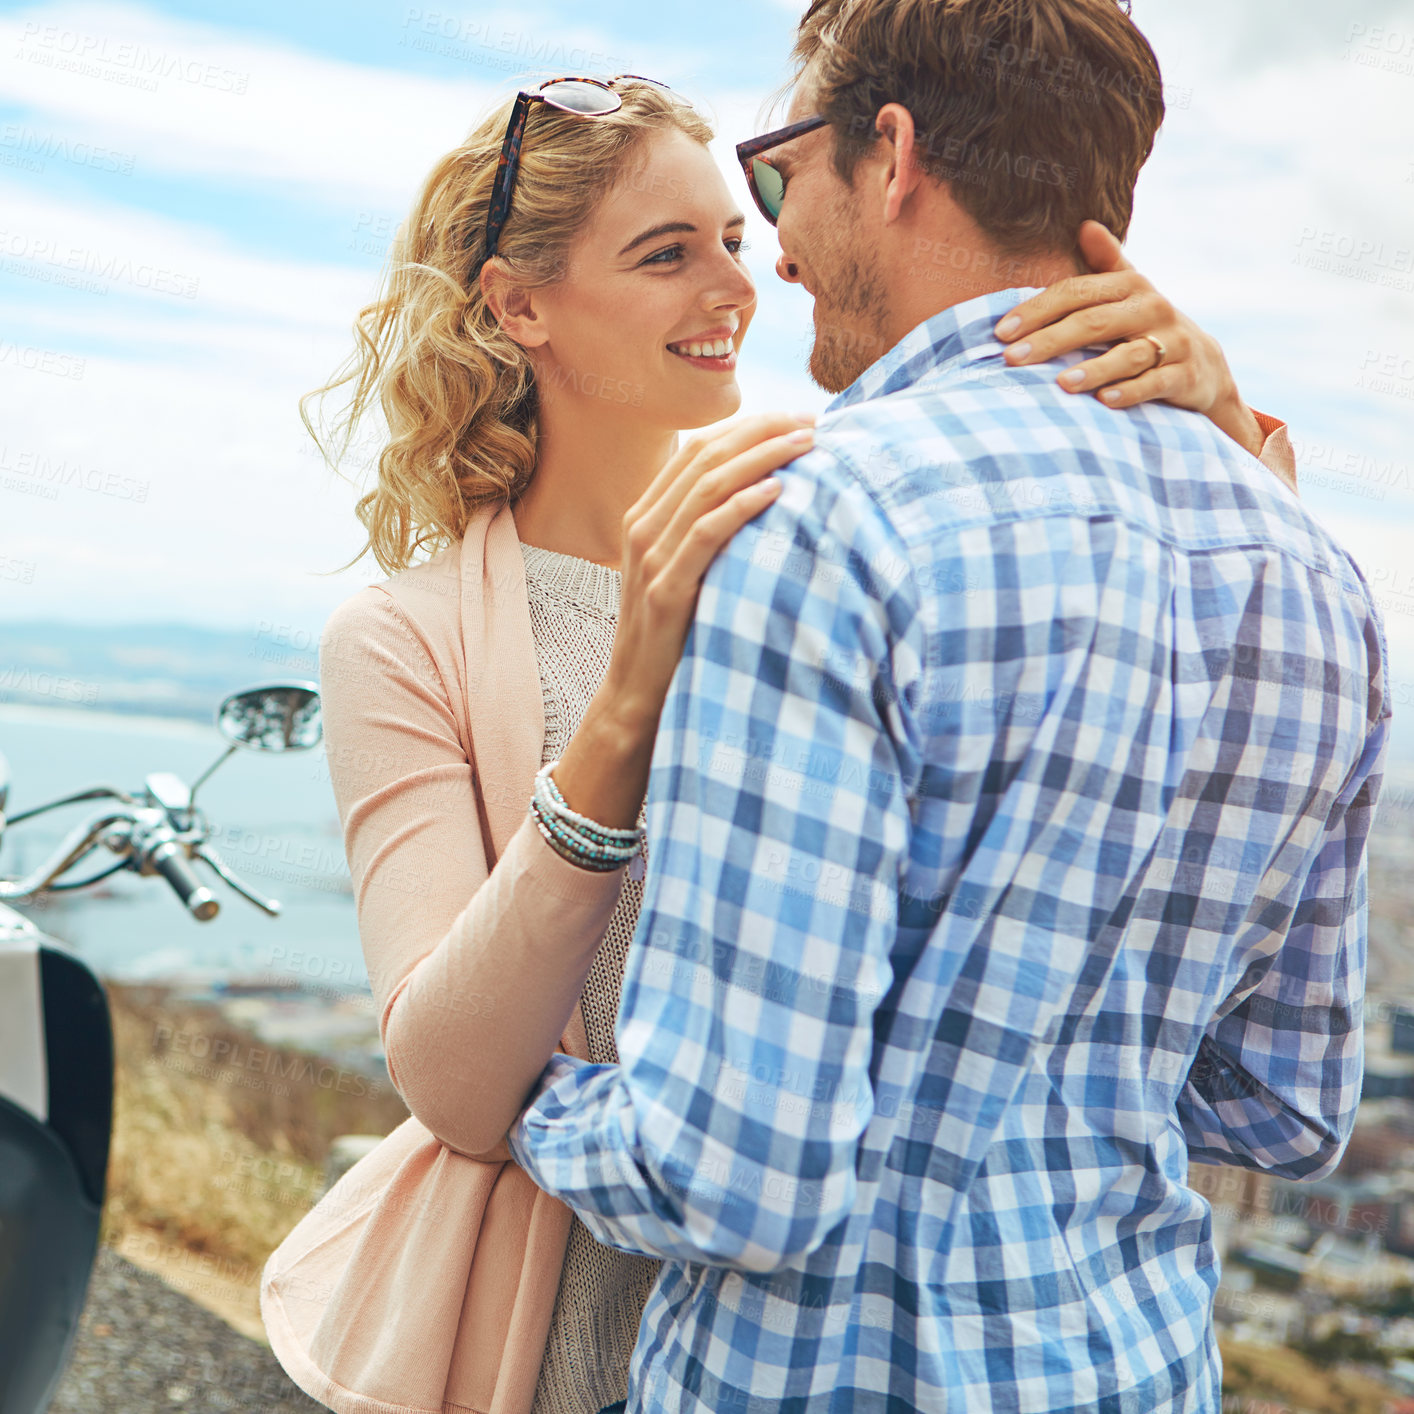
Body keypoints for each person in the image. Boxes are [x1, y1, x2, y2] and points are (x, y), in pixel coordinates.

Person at [267, 37, 1315, 1414]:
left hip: (815, 1346)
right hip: (555, 1347)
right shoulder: (405, 639)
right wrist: (627, 696)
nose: (739, 282)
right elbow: (454, 1082)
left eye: (733, 230)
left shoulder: (821, 536)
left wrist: (1217, 432)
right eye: (666, 255)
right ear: (519, 307)